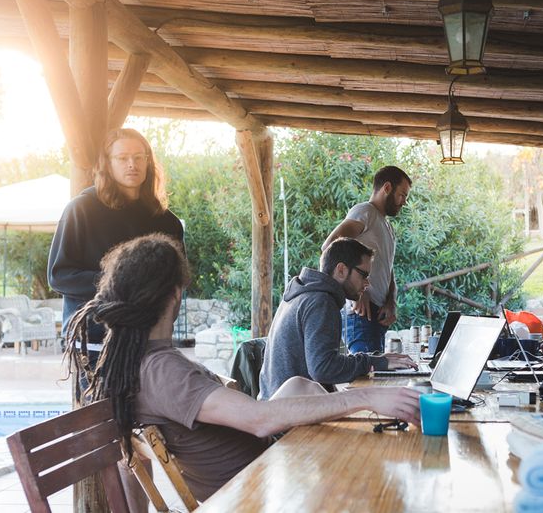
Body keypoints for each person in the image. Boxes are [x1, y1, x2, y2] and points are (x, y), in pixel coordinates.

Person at [67, 234, 421, 502]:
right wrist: (368, 397)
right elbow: (259, 418)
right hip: (255, 490)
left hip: (263, 468)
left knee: (300, 386)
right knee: (373, 477)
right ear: (175, 295)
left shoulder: (146, 361)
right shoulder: (162, 372)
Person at [48, 128, 184, 374]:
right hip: (95, 340)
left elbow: (175, 283)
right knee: (102, 413)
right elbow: (59, 276)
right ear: (107, 164)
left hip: (149, 340)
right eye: (122, 158)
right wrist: (122, 286)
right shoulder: (81, 210)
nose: (132, 164)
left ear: (148, 162)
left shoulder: (167, 222)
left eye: (139, 157)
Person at [259, 238, 417, 400]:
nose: (367, 283)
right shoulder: (321, 302)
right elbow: (323, 369)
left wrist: (376, 360)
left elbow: (323, 364)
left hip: (275, 404)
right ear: (341, 270)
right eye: (363, 275)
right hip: (286, 414)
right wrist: (376, 363)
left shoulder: (303, 295)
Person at [323, 166, 411, 353]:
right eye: (402, 195)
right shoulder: (365, 212)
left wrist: (391, 301)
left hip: (377, 314)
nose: (404, 202)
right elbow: (331, 247)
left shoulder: (386, 225)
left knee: (376, 377)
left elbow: (388, 268)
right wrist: (357, 293)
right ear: (387, 187)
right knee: (365, 379)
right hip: (360, 313)